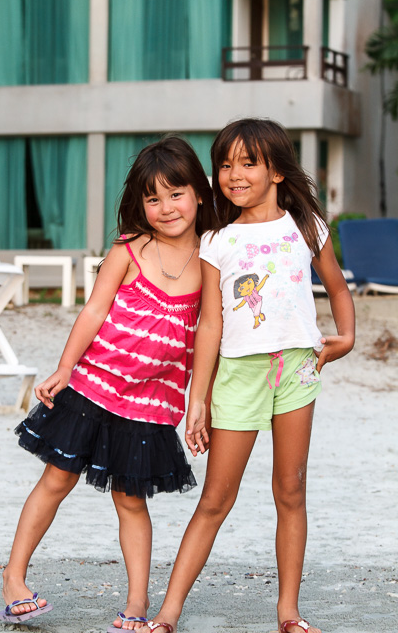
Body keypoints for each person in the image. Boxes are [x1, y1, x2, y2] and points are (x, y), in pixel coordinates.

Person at [138, 118, 355, 633]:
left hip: (297, 368)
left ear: (276, 171)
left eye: (248, 163)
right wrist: (198, 399)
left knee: (291, 490)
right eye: (225, 164)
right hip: (239, 373)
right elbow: (210, 324)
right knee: (216, 498)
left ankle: (288, 613)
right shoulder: (217, 239)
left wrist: (346, 337)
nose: (234, 174)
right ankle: (168, 613)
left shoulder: (308, 226)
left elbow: (337, 288)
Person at [0, 136, 216, 630]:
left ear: (199, 194)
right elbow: (95, 310)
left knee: (131, 499)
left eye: (176, 194)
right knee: (58, 478)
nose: (166, 208)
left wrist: (199, 400)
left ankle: (137, 602)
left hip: (150, 402)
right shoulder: (131, 248)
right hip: (93, 385)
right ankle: (14, 577)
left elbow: (210, 332)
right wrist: (65, 367)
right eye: (153, 198)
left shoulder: (212, 258)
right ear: (140, 203)